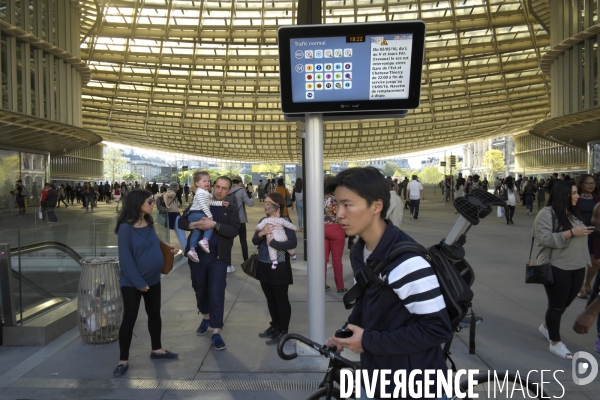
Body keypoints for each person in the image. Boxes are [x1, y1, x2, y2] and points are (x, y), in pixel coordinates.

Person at [324, 167, 453, 399]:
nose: (339, 214)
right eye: (336, 205)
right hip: (376, 375)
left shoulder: (407, 262)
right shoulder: (360, 251)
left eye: (347, 205)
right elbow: (365, 300)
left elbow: (438, 329)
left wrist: (368, 341)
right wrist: (345, 333)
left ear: (376, 206)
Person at [113, 189, 179, 377]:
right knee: (130, 318)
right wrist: (139, 282)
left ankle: (156, 349)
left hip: (153, 279)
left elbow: (155, 242)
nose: (152, 204)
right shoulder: (126, 229)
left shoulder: (148, 223)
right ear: (137, 204)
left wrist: (169, 248)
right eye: (149, 202)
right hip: (133, 282)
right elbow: (125, 260)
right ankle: (122, 360)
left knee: (154, 314)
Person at [178, 176, 240, 351]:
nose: (219, 191)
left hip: (218, 258)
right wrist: (193, 224)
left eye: (224, 188)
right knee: (200, 288)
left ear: (229, 191)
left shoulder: (231, 208)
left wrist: (215, 225)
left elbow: (234, 230)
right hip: (197, 256)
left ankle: (216, 331)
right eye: (217, 186)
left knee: (216, 291)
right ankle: (206, 317)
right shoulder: (201, 199)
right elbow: (182, 221)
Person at [534, 180, 593, 359]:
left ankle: (546, 327)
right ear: (563, 195)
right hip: (557, 266)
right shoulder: (546, 214)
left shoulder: (573, 213)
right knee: (557, 305)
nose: (577, 196)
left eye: (577, 193)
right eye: (574, 193)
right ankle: (555, 342)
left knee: (565, 303)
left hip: (577, 265)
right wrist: (571, 233)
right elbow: (544, 238)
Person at [252, 192, 297, 345]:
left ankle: (283, 331)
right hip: (264, 264)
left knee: (280, 299)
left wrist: (273, 244)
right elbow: (254, 241)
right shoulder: (263, 220)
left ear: (278, 205)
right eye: (266, 202)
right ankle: (275, 326)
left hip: (280, 266)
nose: (266, 205)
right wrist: (262, 234)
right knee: (270, 298)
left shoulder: (284, 221)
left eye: (269, 203)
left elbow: (292, 243)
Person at [186, 171, 229, 262]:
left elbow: (209, 202)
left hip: (193, 214)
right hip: (198, 213)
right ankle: (205, 240)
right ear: (197, 183)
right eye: (204, 181)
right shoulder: (201, 193)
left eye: (208, 181)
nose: (207, 183)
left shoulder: (203, 193)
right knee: (209, 225)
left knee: (196, 233)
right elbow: (203, 205)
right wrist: (210, 216)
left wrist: (221, 203)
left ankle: (192, 250)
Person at [575, 174, 600, 300]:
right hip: (578, 234)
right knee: (579, 262)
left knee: (596, 262)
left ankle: (587, 282)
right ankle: (579, 288)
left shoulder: (597, 198)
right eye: (588, 183)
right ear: (581, 184)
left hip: (594, 235)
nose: (591, 185)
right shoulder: (575, 197)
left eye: (593, 183)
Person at [323, 176, 348, 294]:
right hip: (336, 229)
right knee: (337, 260)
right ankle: (340, 287)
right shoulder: (336, 199)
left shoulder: (319, 198)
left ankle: (322, 283)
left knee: (322, 260)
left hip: (321, 229)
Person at [255, 202, 297, 269]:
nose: (279, 214)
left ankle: (274, 262)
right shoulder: (281, 220)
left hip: (272, 238)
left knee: (272, 249)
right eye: (278, 212)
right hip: (283, 237)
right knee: (288, 248)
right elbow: (289, 225)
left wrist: (257, 229)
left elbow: (259, 227)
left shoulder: (265, 220)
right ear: (275, 213)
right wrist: (295, 228)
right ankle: (293, 254)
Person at [228, 177, 254, 272]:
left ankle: (228, 264)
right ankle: (246, 262)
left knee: (229, 243)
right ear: (240, 183)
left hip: (230, 221)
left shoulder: (228, 190)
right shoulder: (242, 191)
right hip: (240, 220)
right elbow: (250, 204)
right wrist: (252, 200)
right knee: (243, 241)